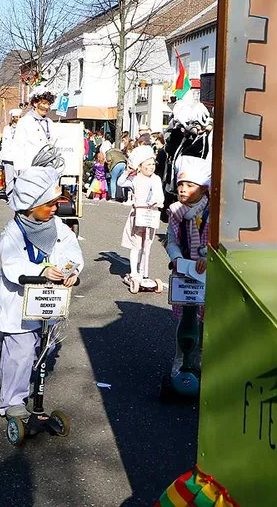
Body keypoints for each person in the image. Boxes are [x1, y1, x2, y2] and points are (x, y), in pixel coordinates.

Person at [0, 166, 83, 420]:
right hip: (20, 303)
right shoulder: (12, 232)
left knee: (41, 347)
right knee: (20, 353)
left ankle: (15, 382)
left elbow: (71, 251)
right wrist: (41, 270)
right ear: (31, 205)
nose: (55, 209)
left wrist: (71, 270)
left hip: (47, 301)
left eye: (56, 203)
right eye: (49, 205)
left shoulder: (58, 227)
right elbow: (12, 263)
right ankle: (12, 401)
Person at [164, 155, 211, 380]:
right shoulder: (175, 211)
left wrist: (208, 257)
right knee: (185, 318)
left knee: (206, 319)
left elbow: (219, 240)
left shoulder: (212, 212)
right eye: (181, 184)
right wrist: (176, 257)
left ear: (204, 189)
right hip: (184, 271)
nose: (183, 189)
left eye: (190, 185)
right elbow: (171, 239)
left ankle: (200, 358)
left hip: (206, 274)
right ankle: (180, 359)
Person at [117, 146, 164, 290]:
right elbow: (120, 183)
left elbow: (160, 195)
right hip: (138, 214)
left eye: (153, 164)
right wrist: (127, 172)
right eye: (148, 164)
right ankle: (134, 272)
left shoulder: (156, 179)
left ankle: (144, 272)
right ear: (140, 166)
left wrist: (156, 201)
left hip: (151, 215)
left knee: (147, 245)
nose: (151, 167)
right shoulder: (135, 179)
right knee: (136, 244)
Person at [10, 89, 55, 190]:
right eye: (43, 103)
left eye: (48, 104)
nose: (46, 107)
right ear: (35, 103)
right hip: (29, 169)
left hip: (46, 170)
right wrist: (20, 169)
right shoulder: (25, 121)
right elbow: (18, 146)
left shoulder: (50, 123)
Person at [0, 108, 22, 196]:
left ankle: (19, 196)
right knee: (9, 179)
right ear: (12, 118)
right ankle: (10, 196)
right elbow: (4, 144)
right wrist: (2, 157)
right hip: (8, 157)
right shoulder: (6, 129)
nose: (18, 119)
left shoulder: (23, 128)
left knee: (20, 178)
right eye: (16, 117)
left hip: (19, 157)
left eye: (19, 117)